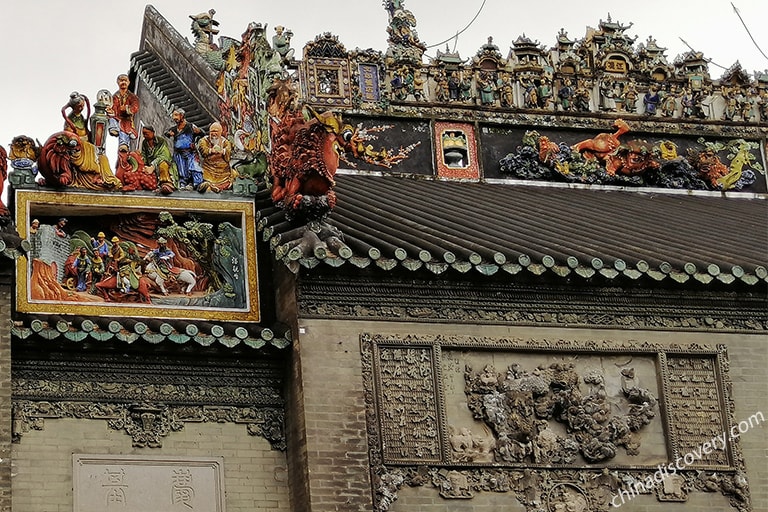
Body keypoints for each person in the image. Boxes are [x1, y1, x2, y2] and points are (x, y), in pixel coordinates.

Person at [164, 108, 204, 190]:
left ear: (182, 116)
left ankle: (196, 184)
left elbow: (202, 133)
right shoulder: (175, 129)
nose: (174, 117)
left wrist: (198, 131)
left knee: (194, 168)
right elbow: (166, 133)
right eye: (173, 115)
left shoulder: (190, 126)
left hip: (190, 153)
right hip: (179, 154)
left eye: (176, 115)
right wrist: (169, 133)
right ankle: (183, 184)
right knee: (181, 170)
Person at [197, 122, 236, 192]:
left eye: (216, 131)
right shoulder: (204, 140)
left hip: (223, 170)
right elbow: (203, 149)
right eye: (212, 131)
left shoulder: (225, 142)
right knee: (203, 179)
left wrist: (223, 151)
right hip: (209, 168)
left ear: (220, 132)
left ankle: (215, 187)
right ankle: (209, 186)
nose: (214, 133)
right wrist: (211, 150)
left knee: (232, 177)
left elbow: (228, 151)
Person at [140, 125, 177, 194]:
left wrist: (153, 165)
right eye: (143, 134)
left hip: (162, 164)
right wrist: (143, 163)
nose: (144, 136)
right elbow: (144, 155)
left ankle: (167, 184)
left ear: (153, 133)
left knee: (163, 165)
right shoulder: (145, 143)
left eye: (146, 134)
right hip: (150, 168)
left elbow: (164, 156)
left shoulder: (161, 141)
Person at [106, 74, 140, 148]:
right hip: (116, 116)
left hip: (126, 119)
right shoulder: (115, 96)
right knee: (111, 118)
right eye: (121, 81)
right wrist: (110, 110)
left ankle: (124, 144)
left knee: (125, 128)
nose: (123, 82)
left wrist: (127, 108)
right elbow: (113, 105)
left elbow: (135, 106)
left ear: (128, 82)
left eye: (125, 80)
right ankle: (114, 128)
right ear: (118, 82)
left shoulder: (132, 96)